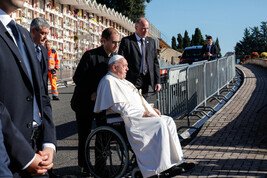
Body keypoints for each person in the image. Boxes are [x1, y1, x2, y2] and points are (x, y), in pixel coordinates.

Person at [94, 55, 195, 178]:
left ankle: (174, 162)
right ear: (115, 67)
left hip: (133, 115)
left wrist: (150, 109)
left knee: (168, 121)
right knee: (160, 124)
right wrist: (143, 113)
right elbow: (119, 107)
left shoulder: (123, 81)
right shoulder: (108, 81)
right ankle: (159, 167)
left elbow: (138, 100)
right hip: (123, 119)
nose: (127, 69)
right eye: (125, 66)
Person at [0, 0, 56, 177]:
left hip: (38, 153)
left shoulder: (23, 35)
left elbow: (41, 93)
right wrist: (25, 156)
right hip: (9, 156)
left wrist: (49, 143)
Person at [70, 27, 120, 174]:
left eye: (118, 43)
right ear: (103, 41)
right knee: (84, 135)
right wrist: (91, 92)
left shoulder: (114, 58)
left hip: (102, 103)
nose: (116, 46)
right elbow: (78, 78)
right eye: (114, 42)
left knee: (103, 134)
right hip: (84, 102)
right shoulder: (90, 56)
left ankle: (100, 166)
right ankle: (85, 166)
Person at [118, 17, 161, 97]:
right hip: (132, 80)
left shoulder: (151, 42)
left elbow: (155, 62)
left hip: (146, 80)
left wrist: (157, 81)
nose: (146, 31)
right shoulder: (127, 41)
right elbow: (121, 60)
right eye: (143, 29)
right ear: (136, 28)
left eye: (147, 28)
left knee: (144, 105)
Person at [30, 17, 49, 95]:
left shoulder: (44, 50)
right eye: (43, 33)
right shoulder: (23, 48)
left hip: (42, 95)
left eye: (47, 34)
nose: (46, 37)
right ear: (33, 31)